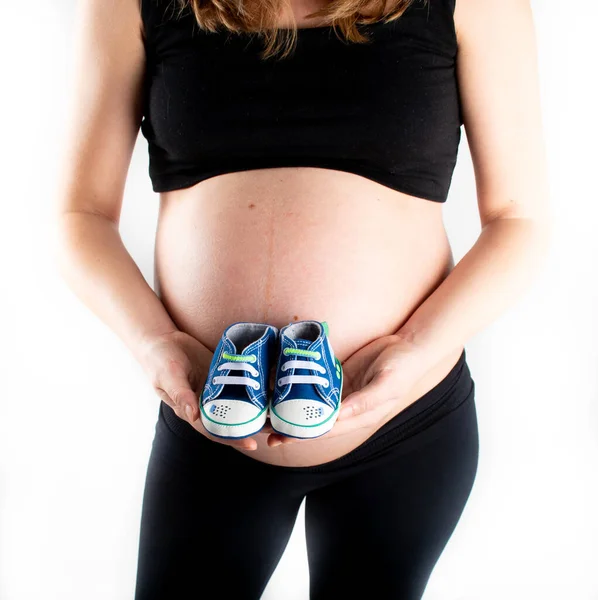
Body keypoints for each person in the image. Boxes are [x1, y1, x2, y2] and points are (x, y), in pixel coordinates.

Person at [53, 0, 551, 597]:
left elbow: (519, 221)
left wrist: (415, 353)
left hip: (405, 422)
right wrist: (154, 343)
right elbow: (80, 216)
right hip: (213, 420)